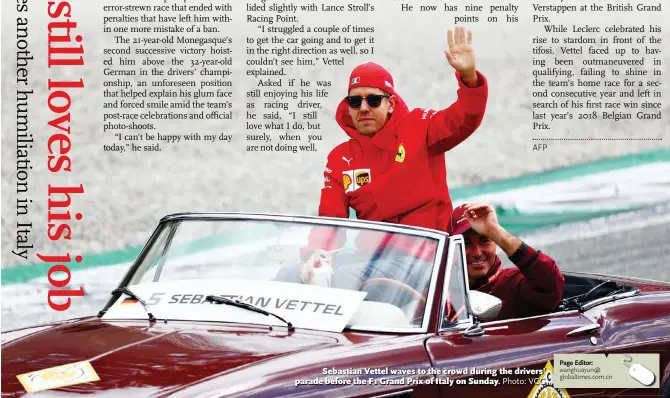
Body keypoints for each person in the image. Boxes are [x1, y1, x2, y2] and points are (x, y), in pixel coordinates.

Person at [298, 27, 489, 282]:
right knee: (290, 274)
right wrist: (318, 254)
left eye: (373, 100)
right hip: (371, 258)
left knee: (345, 279)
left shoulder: (421, 127)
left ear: (390, 104)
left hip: (425, 259)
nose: (363, 108)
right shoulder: (340, 158)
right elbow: (331, 219)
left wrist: (468, 77)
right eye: (355, 102)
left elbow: (465, 118)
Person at [447, 203, 564, 320]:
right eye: (466, 244)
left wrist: (495, 231)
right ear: (451, 249)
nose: (477, 253)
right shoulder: (440, 295)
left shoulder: (514, 284)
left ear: (495, 242)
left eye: (485, 240)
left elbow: (551, 285)